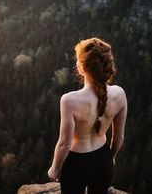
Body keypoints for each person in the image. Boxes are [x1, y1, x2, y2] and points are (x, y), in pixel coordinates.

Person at [47, 37, 128, 194]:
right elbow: (119, 138)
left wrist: (55, 168)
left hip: (77, 164)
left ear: (82, 68)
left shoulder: (69, 100)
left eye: (78, 60)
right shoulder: (120, 94)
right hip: (103, 160)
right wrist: (110, 158)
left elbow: (64, 143)